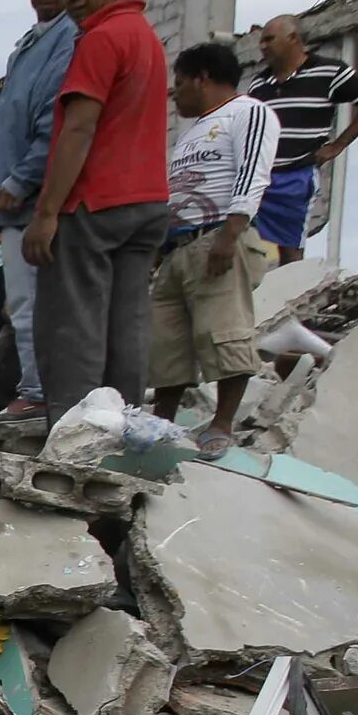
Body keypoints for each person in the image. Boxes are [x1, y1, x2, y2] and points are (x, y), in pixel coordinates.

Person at [21, 0, 169, 423]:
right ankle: (123, 424)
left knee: (72, 324)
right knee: (125, 323)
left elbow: (79, 127)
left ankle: (76, 431)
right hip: (146, 202)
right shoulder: (144, 35)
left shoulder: (102, 38)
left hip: (95, 202)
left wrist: (45, 215)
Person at [151, 43, 282, 452]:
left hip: (219, 236)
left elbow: (252, 173)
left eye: (180, 83)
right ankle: (161, 426)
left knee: (224, 331)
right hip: (178, 248)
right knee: (167, 343)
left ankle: (221, 424)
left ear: (201, 78)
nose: (175, 94)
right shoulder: (192, 133)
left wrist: (230, 233)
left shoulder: (248, 112)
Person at [0, 0, 80, 431]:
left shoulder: (67, 38)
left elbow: (54, 122)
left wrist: (19, 179)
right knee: (23, 308)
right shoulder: (31, 44)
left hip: (35, 200)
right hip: (16, 203)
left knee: (34, 306)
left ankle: (40, 397)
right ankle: (36, 394)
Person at [248, 15, 358, 263]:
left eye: (269, 39)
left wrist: (339, 144)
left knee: (290, 248)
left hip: (296, 174)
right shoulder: (259, 83)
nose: (263, 46)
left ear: (293, 38)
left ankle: (289, 298)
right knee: (244, 242)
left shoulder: (328, 71)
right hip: (259, 175)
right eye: (262, 41)